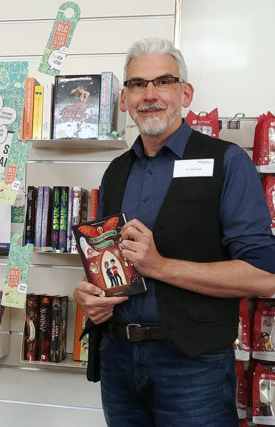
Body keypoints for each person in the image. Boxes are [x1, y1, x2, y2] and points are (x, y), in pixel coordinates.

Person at [73, 38, 275, 425]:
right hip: (117, 358)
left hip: (192, 365)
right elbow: (108, 264)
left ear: (185, 92)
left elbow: (264, 276)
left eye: (163, 82)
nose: (150, 95)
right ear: (123, 100)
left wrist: (160, 265)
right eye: (137, 84)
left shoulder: (226, 163)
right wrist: (91, 294)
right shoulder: (116, 170)